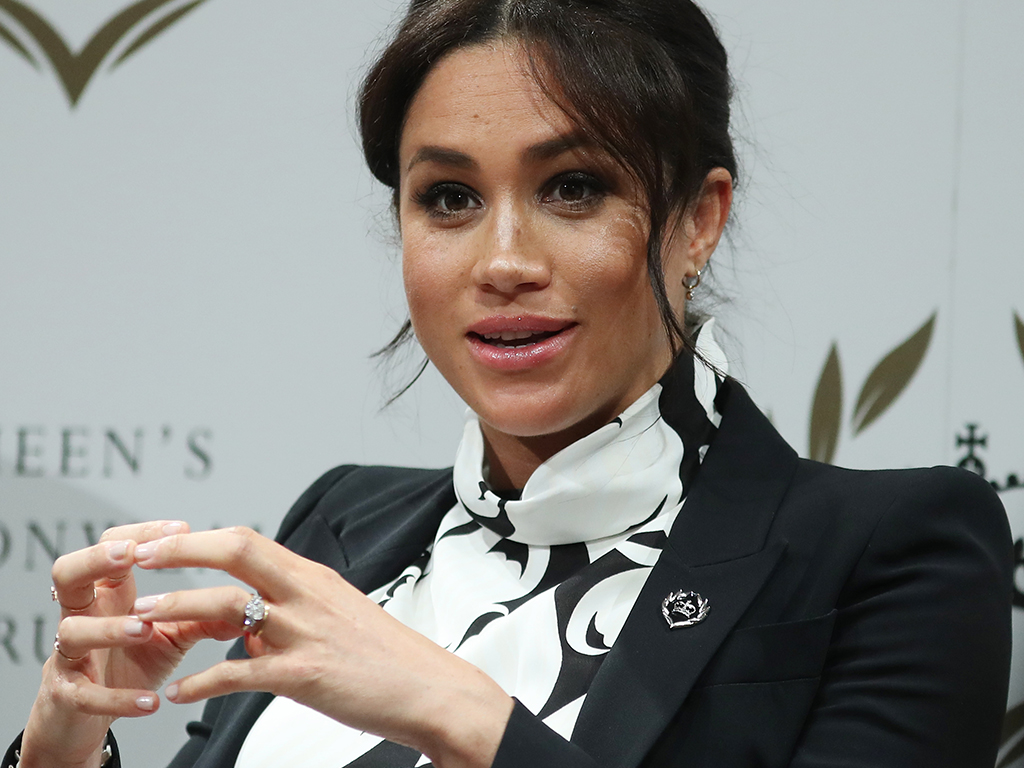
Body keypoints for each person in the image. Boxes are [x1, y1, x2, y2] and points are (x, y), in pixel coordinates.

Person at [8, 0, 1014, 766]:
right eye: (447, 197)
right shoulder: (338, 522)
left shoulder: (893, 550)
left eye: (572, 188)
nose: (502, 260)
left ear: (697, 220)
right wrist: (64, 747)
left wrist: (459, 713)